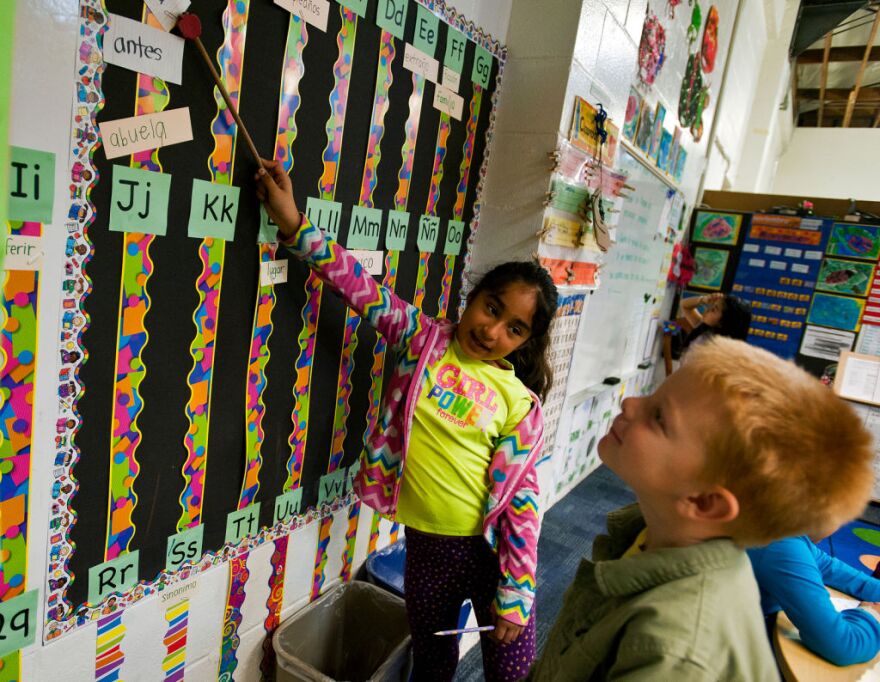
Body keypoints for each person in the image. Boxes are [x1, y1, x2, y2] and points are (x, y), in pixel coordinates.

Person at [255, 160, 557, 682]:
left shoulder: (517, 402)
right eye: (491, 308)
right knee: (432, 664)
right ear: (472, 297)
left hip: (491, 556)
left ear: (525, 342)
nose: (492, 331)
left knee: (512, 672)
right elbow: (357, 285)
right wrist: (292, 222)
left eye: (514, 329)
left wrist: (516, 590)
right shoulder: (423, 340)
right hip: (427, 549)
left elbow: (523, 503)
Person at [527, 337, 873, 680]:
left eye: (658, 416)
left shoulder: (674, 653)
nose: (629, 403)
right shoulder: (650, 530)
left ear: (704, 502)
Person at [748, 534, 880, 666]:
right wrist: (873, 614)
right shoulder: (782, 544)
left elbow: (829, 568)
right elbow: (843, 646)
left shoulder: (785, 535)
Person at [678, 292, 752, 351]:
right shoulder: (704, 328)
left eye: (714, 309)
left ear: (724, 322)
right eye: (712, 305)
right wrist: (704, 299)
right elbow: (684, 305)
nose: (707, 309)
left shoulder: (718, 350)